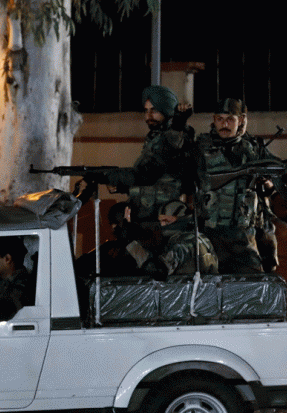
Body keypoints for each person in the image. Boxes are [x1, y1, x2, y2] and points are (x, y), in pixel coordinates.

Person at [196, 98, 273, 273]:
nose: (224, 124)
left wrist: (267, 183)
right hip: (210, 233)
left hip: (243, 235)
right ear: (214, 119)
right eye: (220, 119)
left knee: (254, 283)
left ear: (241, 120)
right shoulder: (200, 148)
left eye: (230, 119)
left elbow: (271, 184)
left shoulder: (252, 149)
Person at [105, 86, 198, 230]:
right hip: (145, 213)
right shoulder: (155, 137)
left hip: (163, 217)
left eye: (154, 110)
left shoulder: (176, 137)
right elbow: (152, 179)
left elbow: (149, 174)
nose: (148, 115)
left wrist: (110, 176)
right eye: (146, 111)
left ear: (166, 110)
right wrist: (123, 187)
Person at [124, 201, 218, 280]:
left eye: (166, 221)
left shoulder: (182, 243)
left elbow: (157, 271)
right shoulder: (197, 237)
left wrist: (131, 245)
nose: (161, 225)